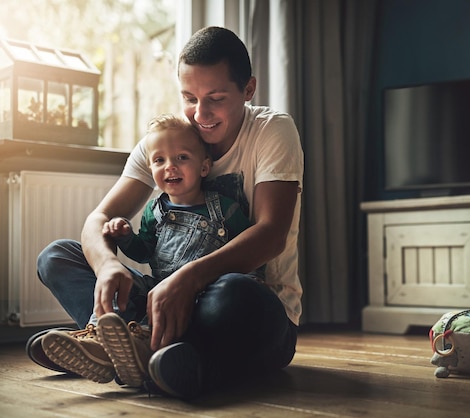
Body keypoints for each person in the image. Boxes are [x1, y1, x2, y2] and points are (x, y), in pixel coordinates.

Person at [29, 26, 304, 400]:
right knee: (57, 256)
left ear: (248, 89)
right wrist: (107, 265)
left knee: (235, 292)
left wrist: (188, 279)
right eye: (189, 97)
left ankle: (134, 349)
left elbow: (271, 233)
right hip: (163, 300)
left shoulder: (273, 130)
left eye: (216, 98)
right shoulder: (168, 141)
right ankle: (141, 350)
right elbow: (97, 220)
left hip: (251, 312)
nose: (200, 113)